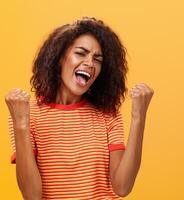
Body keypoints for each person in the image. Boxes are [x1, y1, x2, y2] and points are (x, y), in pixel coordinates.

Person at [4, 17, 154, 199]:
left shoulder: (107, 113)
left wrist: (139, 116)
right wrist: (21, 124)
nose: (90, 63)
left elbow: (122, 188)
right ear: (59, 58)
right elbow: (31, 196)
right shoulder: (26, 114)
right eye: (81, 53)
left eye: (97, 59)